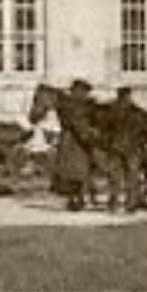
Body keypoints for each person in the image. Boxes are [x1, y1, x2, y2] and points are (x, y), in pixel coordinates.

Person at [53, 80, 100, 212]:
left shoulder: (88, 105)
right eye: (81, 91)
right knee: (71, 171)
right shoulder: (67, 107)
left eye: (85, 92)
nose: (84, 94)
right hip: (71, 140)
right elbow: (69, 121)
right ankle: (75, 198)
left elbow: (94, 119)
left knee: (83, 169)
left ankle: (81, 196)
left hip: (81, 139)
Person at [103, 88, 147, 212]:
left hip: (117, 146)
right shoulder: (137, 111)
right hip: (130, 147)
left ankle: (114, 204)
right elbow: (146, 127)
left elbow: (105, 127)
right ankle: (130, 204)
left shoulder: (112, 110)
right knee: (131, 176)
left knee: (116, 177)